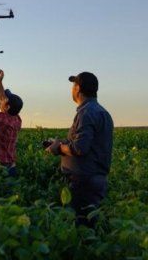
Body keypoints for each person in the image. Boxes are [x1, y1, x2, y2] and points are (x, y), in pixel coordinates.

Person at [45, 72, 114, 227]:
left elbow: (79, 148)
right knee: (91, 224)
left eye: (73, 85)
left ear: (78, 88)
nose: (72, 89)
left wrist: (59, 148)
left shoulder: (86, 112)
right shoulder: (103, 113)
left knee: (83, 227)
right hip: (95, 178)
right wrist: (61, 142)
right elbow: (89, 143)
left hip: (84, 181)